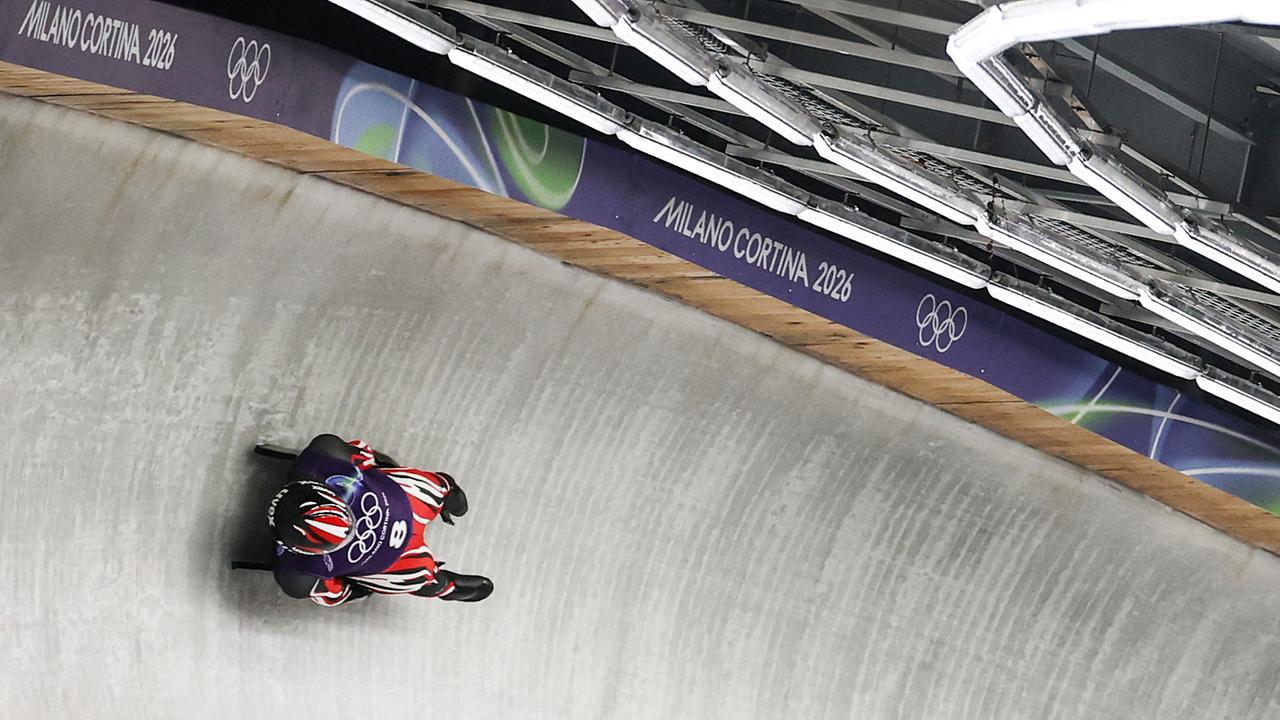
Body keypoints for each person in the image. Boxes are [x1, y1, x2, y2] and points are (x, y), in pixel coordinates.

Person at [267, 434, 493, 607]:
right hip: (409, 502)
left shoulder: (296, 576)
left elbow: (336, 593)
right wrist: (374, 466)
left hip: (397, 558)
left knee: (421, 578)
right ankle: (450, 497)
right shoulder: (324, 456)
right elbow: (364, 455)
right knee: (440, 488)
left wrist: (357, 587)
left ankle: (444, 586)